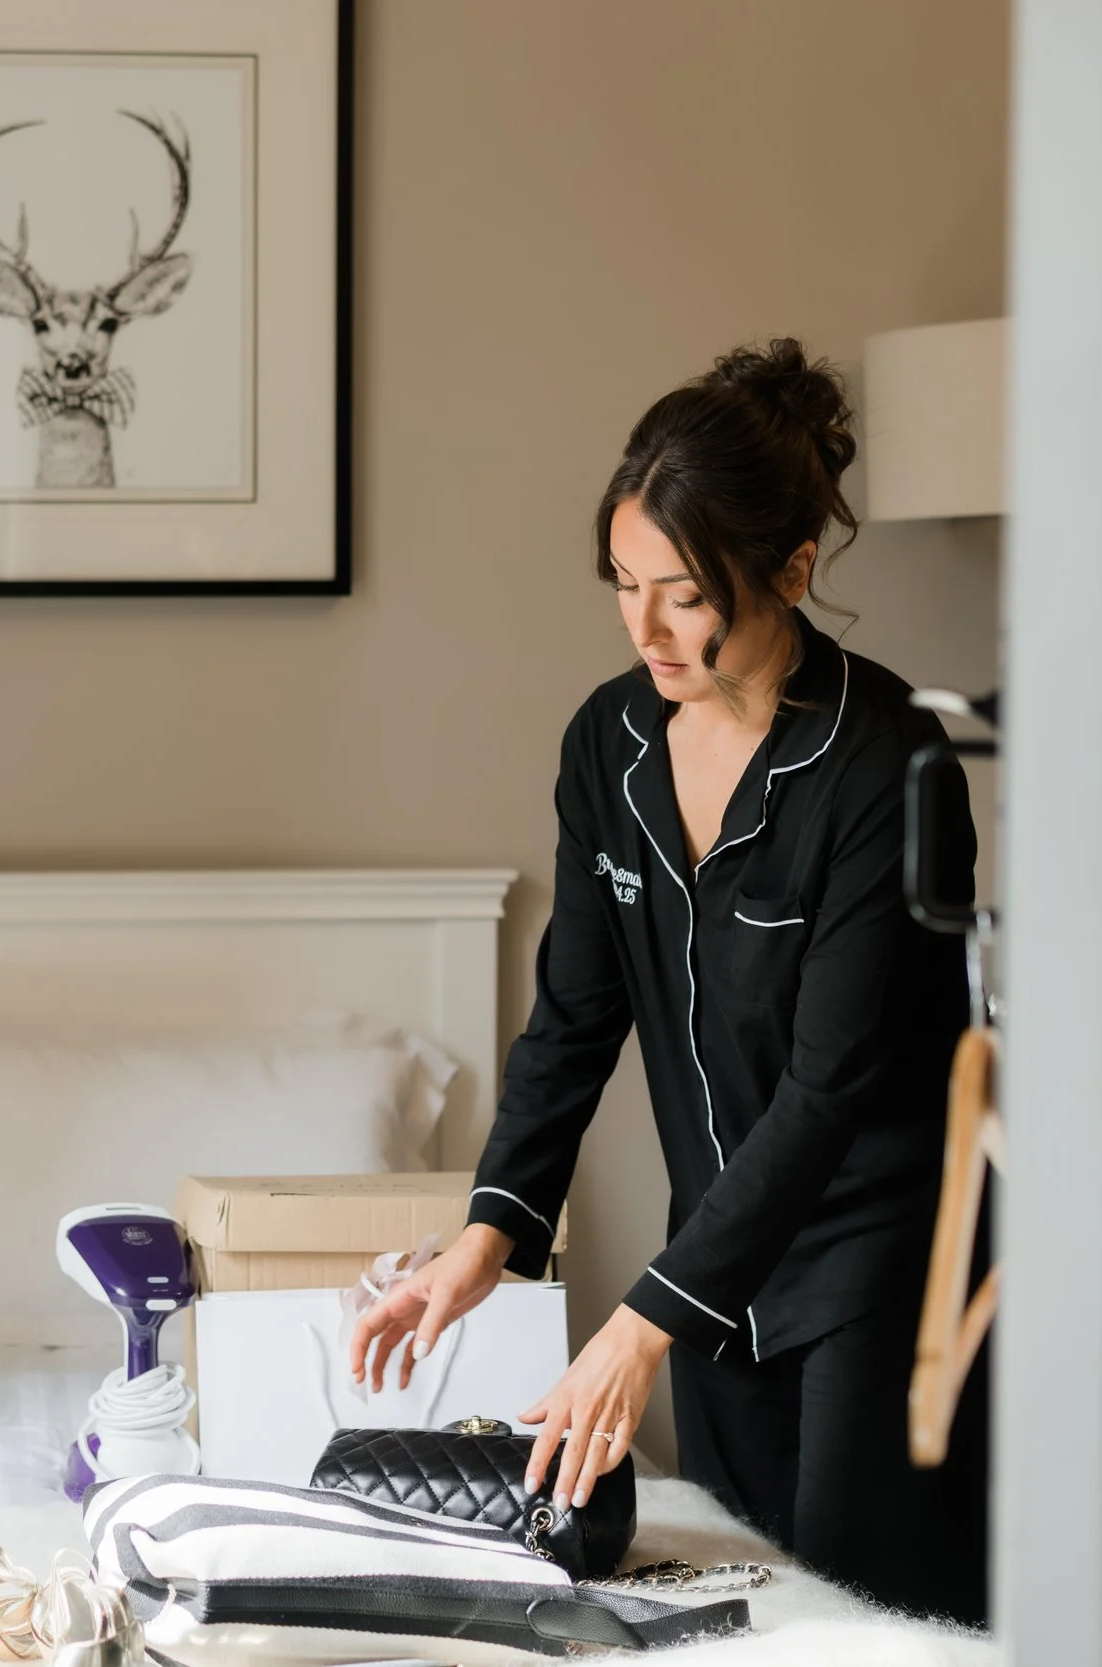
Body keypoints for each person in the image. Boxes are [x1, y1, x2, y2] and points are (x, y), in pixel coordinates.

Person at [349, 339, 988, 1623]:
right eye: (624, 585)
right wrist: (486, 1237)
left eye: (684, 596)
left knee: (859, 1627)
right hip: (713, 1269)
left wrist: (638, 1324)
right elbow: (574, 1019)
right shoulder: (610, 743)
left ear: (790, 572)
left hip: (877, 1275)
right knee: (748, 1616)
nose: (645, 629)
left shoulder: (887, 763)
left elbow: (827, 1090)